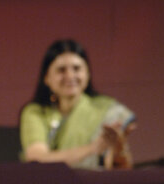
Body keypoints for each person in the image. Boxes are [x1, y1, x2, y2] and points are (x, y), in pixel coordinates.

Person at [19, 39, 137, 170]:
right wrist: (92, 149)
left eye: (77, 68)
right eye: (61, 70)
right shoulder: (36, 112)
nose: (70, 76)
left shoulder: (106, 111)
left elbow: (117, 171)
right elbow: (37, 159)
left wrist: (118, 149)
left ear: (87, 75)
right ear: (47, 78)